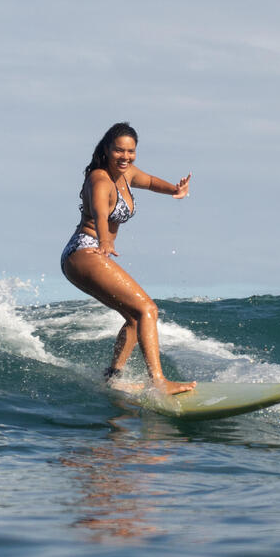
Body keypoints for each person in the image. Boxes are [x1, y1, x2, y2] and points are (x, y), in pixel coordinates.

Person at [61, 122, 196, 396]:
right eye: (119, 151)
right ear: (107, 150)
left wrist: (174, 190)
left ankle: (113, 377)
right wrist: (105, 240)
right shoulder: (99, 179)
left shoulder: (126, 174)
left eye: (130, 151)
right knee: (148, 309)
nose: (125, 157)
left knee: (136, 319)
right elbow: (100, 213)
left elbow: (148, 181)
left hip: (91, 251)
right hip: (86, 249)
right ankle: (158, 381)